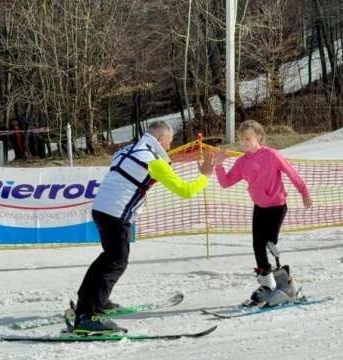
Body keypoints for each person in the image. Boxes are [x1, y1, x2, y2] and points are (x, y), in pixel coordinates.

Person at [73, 120, 214, 333]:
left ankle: (90, 300)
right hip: (116, 215)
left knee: (109, 257)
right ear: (159, 139)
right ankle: (88, 315)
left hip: (101, 209)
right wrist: (205, 176)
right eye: (169, 142)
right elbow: (185, 190)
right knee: (116, 262)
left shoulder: (125, 150)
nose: (169, 146)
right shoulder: (153, 161)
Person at [214, 120, 312, 307]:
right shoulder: (242, 162)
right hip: (260, 207)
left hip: (277, 205)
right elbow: (226, 182)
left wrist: (304, 192)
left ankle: (287, 285)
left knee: (269, 242)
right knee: (257, 245)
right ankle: (268, 285)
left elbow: (291, 173)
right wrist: (219, 166)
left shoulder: (271, 155)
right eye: (241, 139)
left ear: (259, 137)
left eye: (248, 138)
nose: (244, 143)